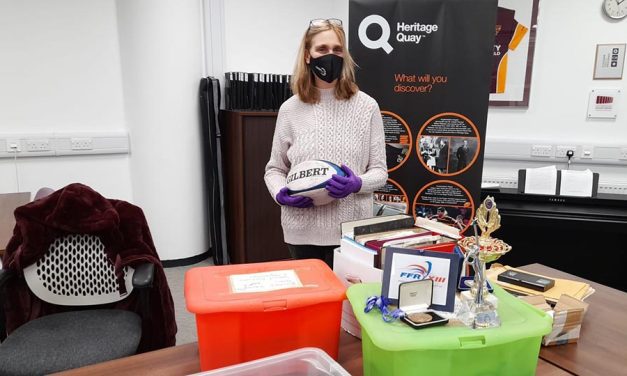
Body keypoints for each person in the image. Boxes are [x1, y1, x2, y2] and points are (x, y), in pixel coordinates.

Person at [264, 18, 388, 268]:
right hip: (301, 229)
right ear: (308, 55)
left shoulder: (367, 106)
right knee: (310, 302)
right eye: (322, 49)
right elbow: (275, 169)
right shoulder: (290, 109)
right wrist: (281, 194)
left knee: (346, 303)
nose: (330, 56)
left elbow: (380, 172)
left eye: (337, 49)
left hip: (351, 233)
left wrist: (357, 183)